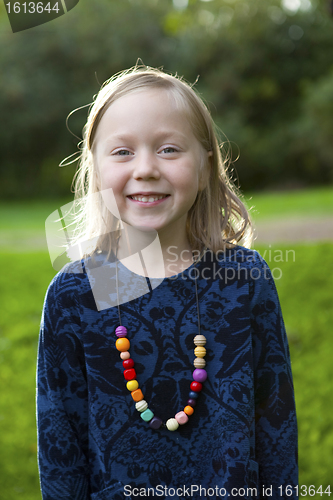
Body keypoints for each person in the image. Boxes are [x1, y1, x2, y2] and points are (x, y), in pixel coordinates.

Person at [37, 65, 298, 500]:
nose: (146, 169)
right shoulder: (75, 295)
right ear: (96, 168)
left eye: (169, 149)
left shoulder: (244, 279)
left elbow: (276, 425)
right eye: (122, 152)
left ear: (205, 163)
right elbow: (61, 447)